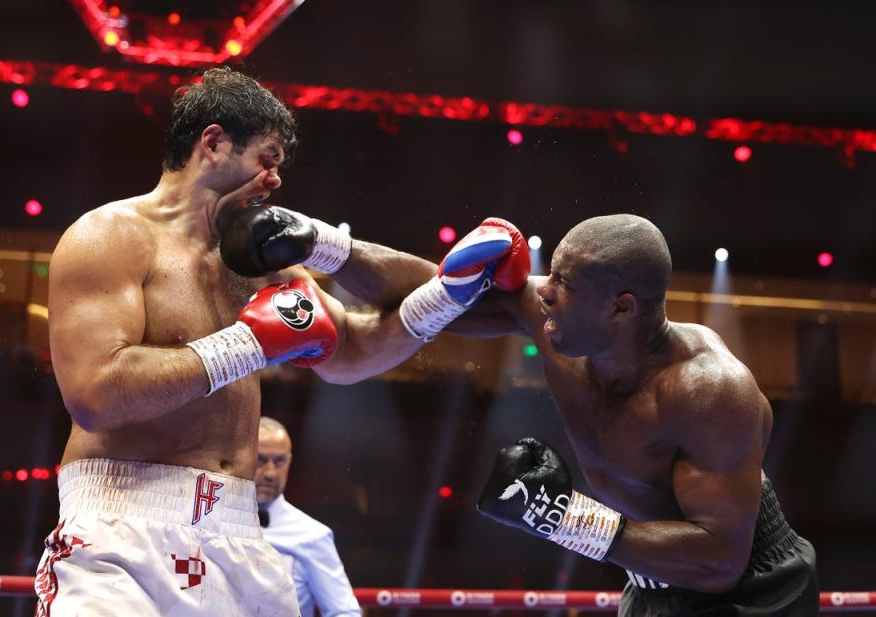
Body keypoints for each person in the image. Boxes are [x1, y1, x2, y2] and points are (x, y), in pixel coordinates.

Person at [36, 66, 529, 616]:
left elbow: (354, 351)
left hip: (239, 534)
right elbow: (97, 395)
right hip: (122, 530)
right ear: (215, 142)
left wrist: (445, 294)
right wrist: (249, 344)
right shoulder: (111, 236)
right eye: (266, 160)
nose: (274, 180)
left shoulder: (258, 262)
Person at [473, 214, 819, 616]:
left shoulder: (707, 388)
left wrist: (564, 517)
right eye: (552, 273)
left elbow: (720, 560)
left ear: (621, 307)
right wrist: (436, 291)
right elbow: (414, 293)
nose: (544, 290)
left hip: (751, 589)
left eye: (564, 281)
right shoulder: (559, 319)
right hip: (650, 585)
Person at [254, 417, 361, 617]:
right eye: (260, 459)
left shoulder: (311, 535)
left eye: (279, 461)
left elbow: (344, 611)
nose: (270, 473)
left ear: (289, 462)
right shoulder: (213, 523)